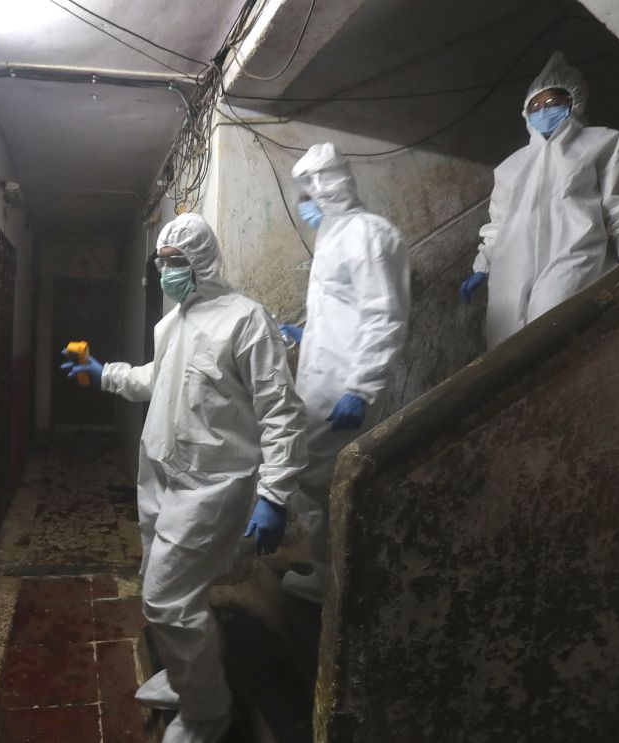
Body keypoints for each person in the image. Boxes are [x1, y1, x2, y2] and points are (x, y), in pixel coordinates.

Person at [61, 213, 307, 743]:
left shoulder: (246, 320)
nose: (165, 271)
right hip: (161, 477)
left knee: (166, 599)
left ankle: (207, 712)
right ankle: (184, 677)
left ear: (200, 262)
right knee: (170, 586)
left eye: (174, 261)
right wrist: (103, 373)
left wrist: (275, 492)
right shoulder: (173, 322)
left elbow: (281, 411)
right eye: (161, 262)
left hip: (212, 487)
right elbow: (157, 378)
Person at [278, 142, 411, 604]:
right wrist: (304, 331)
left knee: (323, 483)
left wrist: (362, 387)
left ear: (327, 188)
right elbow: (343, 311)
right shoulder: (334, 236)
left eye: (308, 194)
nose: (304, 207)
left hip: (344, 387)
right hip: (322, 382)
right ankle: (332, 575)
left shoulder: (368, 235)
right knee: (317, 483)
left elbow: (383, 315)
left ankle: (340, 584)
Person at [460, 51, 619, 348]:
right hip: (512, 264)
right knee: (505, 344)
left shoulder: (601, 142)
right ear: (525, 112)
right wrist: (482, 265)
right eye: (535, 105)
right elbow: (498, 224)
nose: (543, 110)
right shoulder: (512, 165)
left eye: (552, 103)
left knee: (553, 330)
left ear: (573, 102)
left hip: (574, 252)